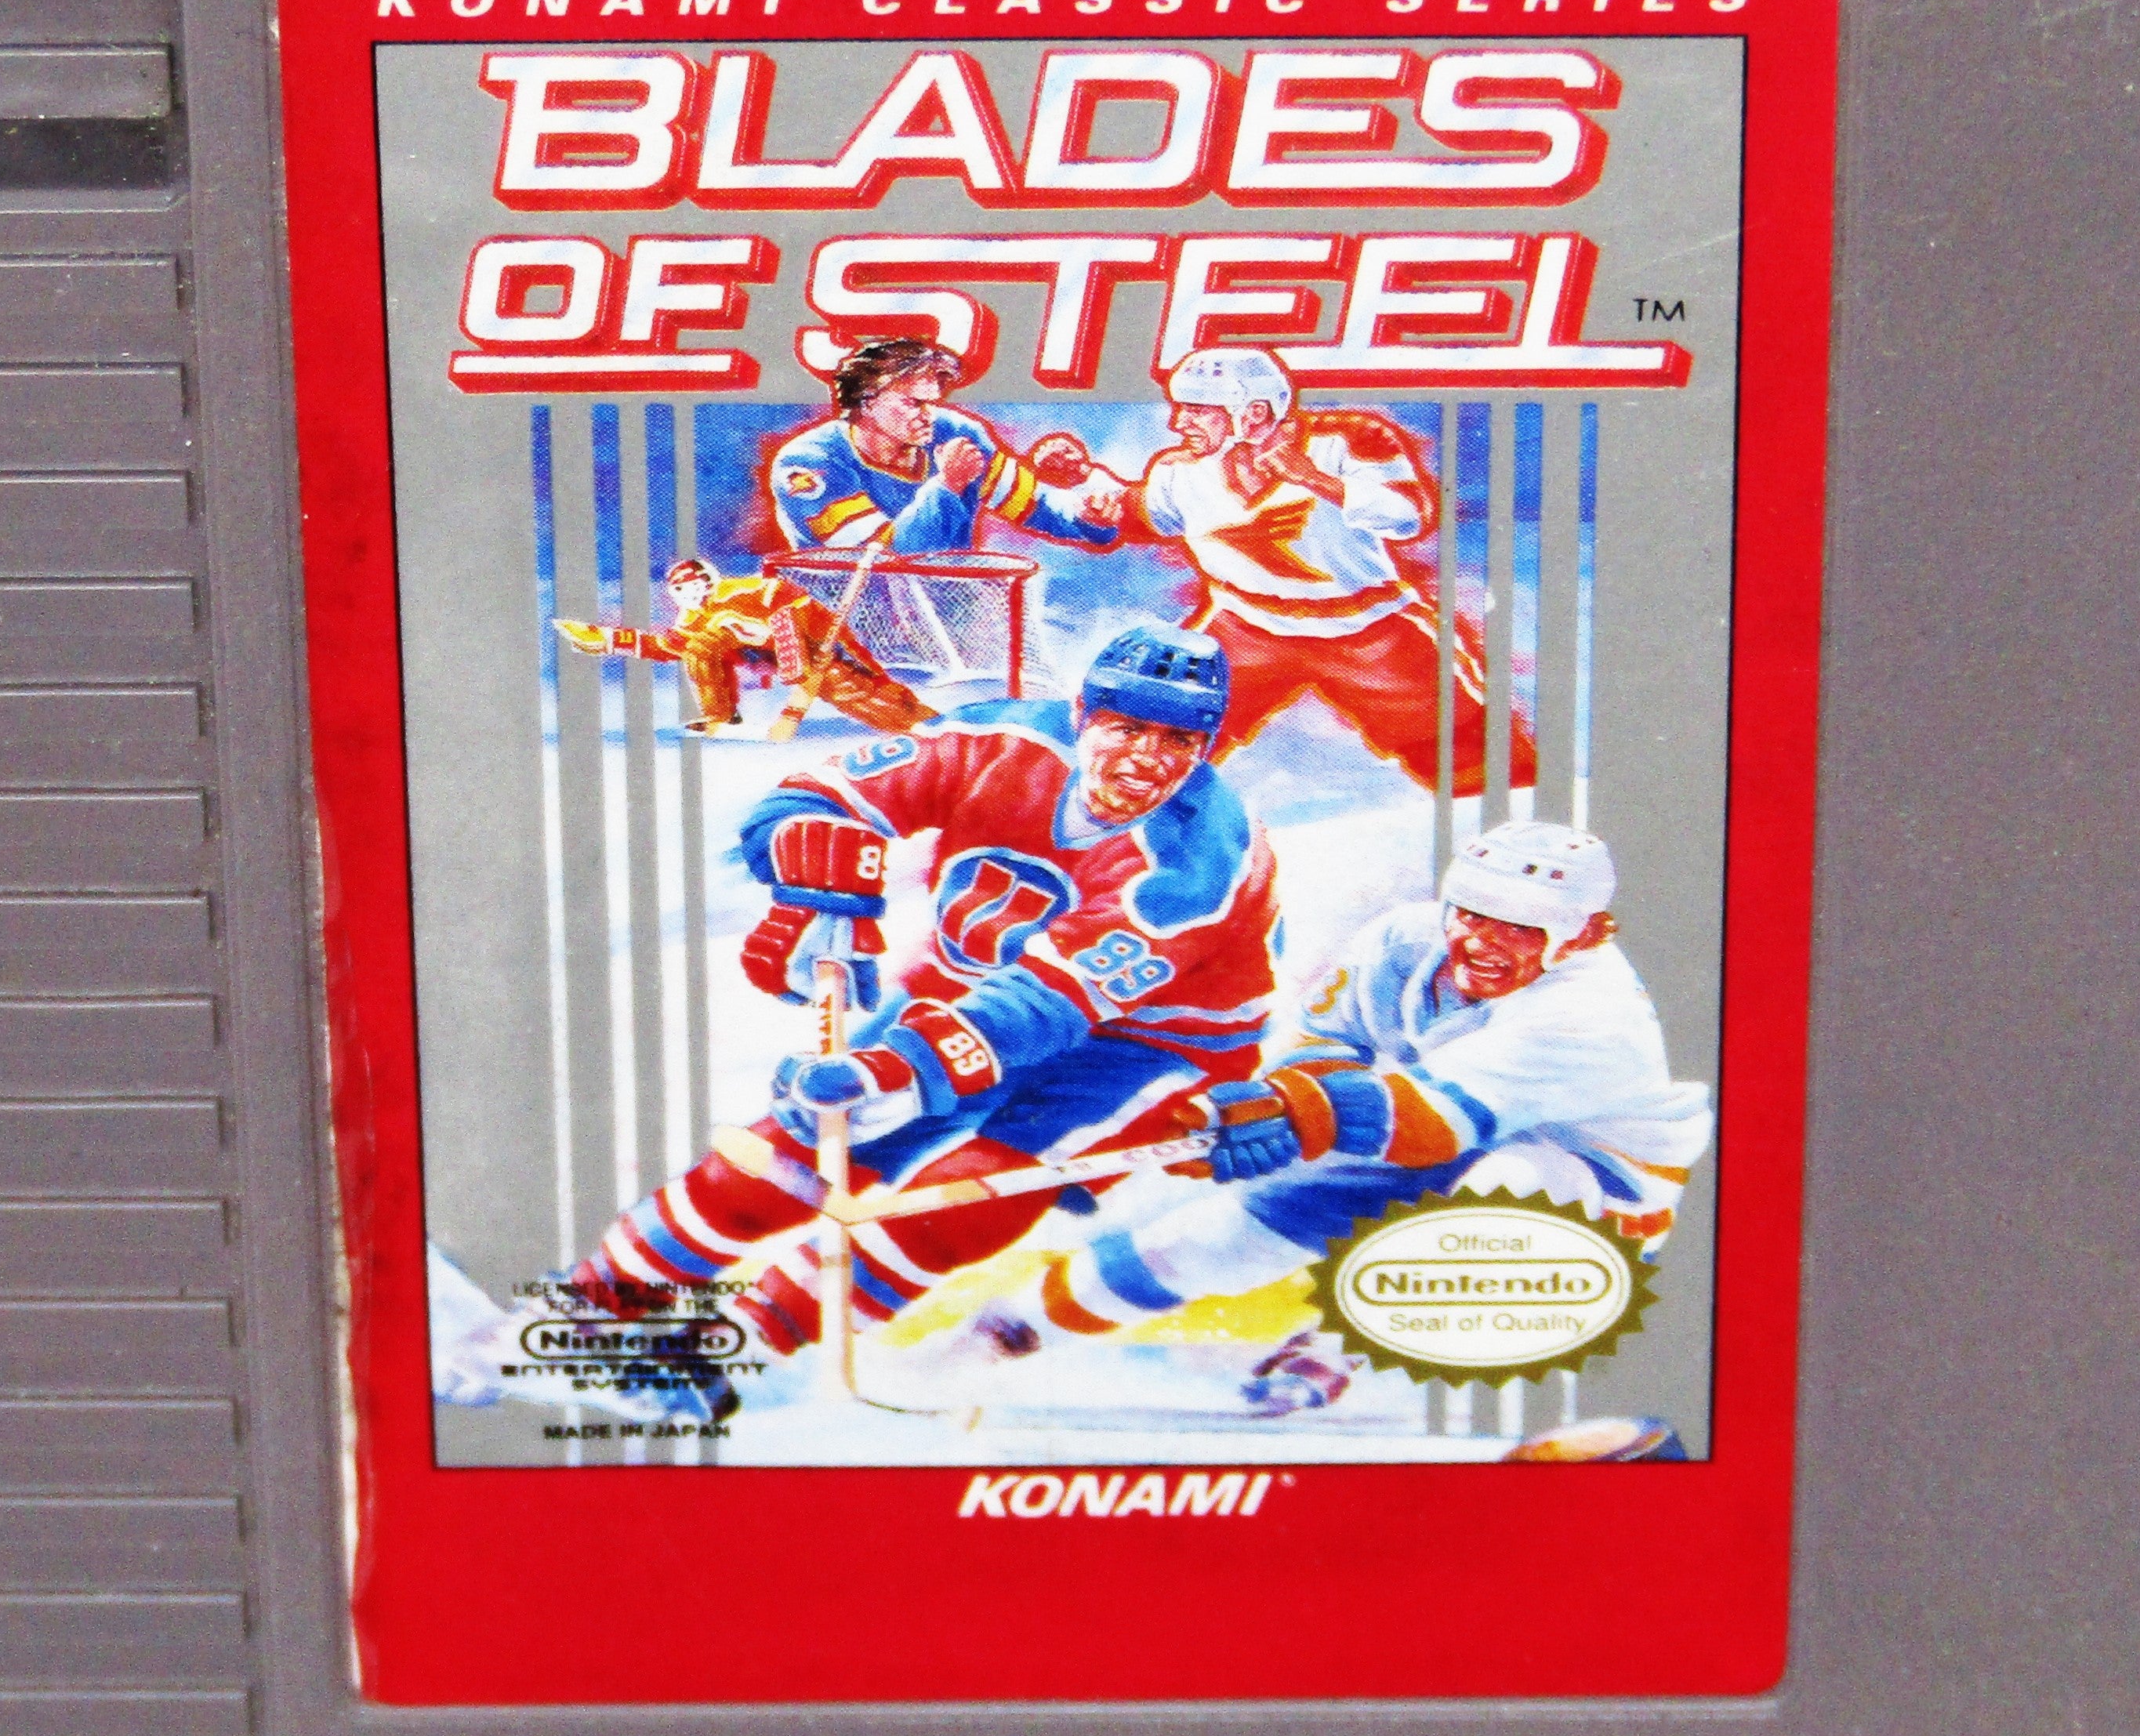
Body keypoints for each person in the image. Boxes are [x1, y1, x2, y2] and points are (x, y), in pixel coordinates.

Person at [541, 625, 1278, 1397]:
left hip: (1150, 1047)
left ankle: (739, 1347)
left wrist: (898, 1066)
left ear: (1205, 748)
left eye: (1178, 741)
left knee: (965, 1196)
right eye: (1126, 729)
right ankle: (594, 1306)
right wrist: (811, 856)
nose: (1145, 759)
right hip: (966, 991)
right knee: (796, 1148)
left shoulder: (1200, 860)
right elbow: (821, 794)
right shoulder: (995, 742)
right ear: (1082, 714)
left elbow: (1047, 1005)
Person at [936, 819, 1708, 1402]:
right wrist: (1269, 1109)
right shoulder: (1406, 941)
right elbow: (1327, 1045)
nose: (1480, 943)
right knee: (1215, 1238)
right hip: (1444, 1132)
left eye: (1518, 927)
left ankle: (1344, 1350)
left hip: (1598, 1187)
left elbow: (1428, 1122)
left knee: (1507, 1183)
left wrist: (1291, 1114)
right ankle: (996, 1336)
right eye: (1471, 914)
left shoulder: (1589, 1014)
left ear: (1586, 931)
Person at [1069, 346, 1532, 794]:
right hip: (1245, 629)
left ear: (1252, 413)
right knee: (1164, 723)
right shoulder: (1179, 470)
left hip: (1366, 629)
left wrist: (1313, 478)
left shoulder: (1347, 439)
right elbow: (1144, 515)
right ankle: (1125, 820)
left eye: (1197, 410)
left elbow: (1408, 516)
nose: (1178, 423)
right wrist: (1093, 496)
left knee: (1466, 747)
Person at [764, 337, 1115, 556]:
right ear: (867, 403)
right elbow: (880, 559)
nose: (929, 416)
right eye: (914, 403)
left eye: (933, 403)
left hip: (947, 616)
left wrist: (1084, 516)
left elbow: (1030, 502)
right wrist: (947, 487)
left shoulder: (954, 433)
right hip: (845, 627)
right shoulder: (809, 464)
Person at [553, 553, 933, 736]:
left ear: (708, 580)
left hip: (813, 640)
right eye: (678, 589)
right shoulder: (694, 619)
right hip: (775, 654)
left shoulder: (745, 590)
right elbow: (670, 647)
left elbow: (794, 602)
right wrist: (608, 640)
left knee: (858, 689)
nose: (686, 594)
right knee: (701, 647)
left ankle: (923, 724)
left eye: (691, 585)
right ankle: (720, 713)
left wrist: (785, 637)